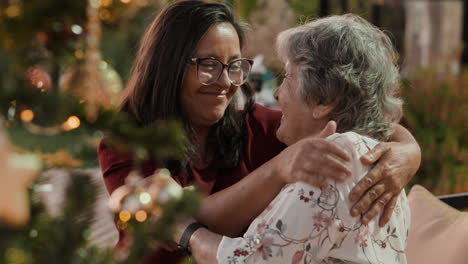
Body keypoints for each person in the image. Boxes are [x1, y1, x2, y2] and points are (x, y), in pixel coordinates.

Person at [97, 1, 420, 263]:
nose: (226, 81)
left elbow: (353, 114)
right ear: (169, 67)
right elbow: (174, 222)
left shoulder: (261, 126)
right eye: (209, 64)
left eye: (235, 65)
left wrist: (408, 153)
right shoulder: (127, 143)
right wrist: (279, 169)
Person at [179, 13, 410, 264]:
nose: (277, 93)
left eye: (287, 77)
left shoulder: (332, 159)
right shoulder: (375, 156)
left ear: (322, 100)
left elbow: (250, 261)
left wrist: (186, 232)